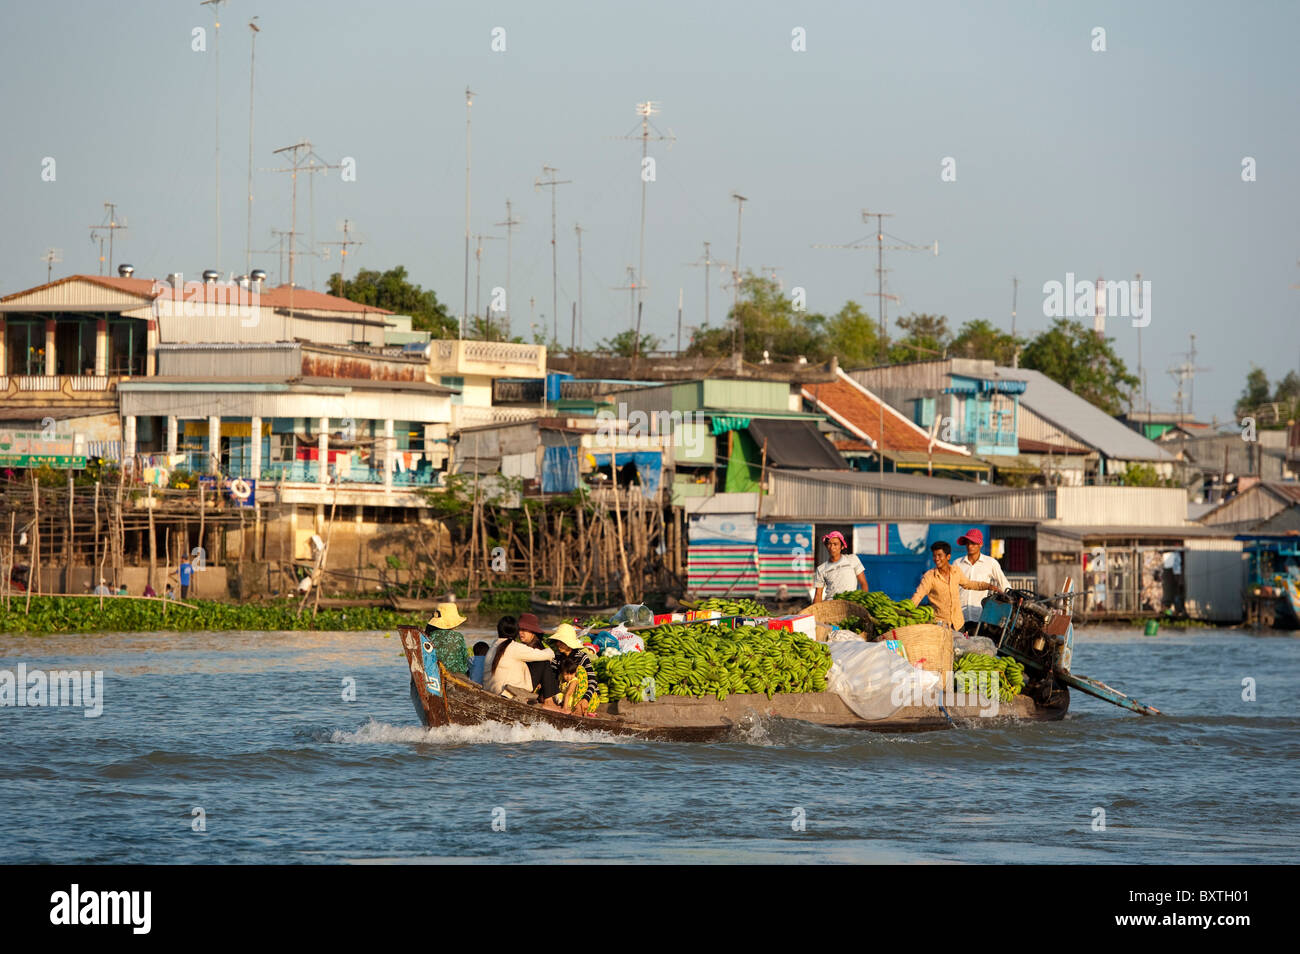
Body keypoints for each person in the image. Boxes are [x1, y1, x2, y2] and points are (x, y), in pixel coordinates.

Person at [911, 541, 1001, 631]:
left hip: (958, 624)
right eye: (934, 556)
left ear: (948, 557)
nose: (936, 559)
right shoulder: (929, 576)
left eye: (939, 555)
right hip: (940, 626)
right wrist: (908, 609)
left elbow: (968, 584)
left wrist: (987, 586)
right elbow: (918, 595)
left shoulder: (956, 571)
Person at [952, 529, 1009, 635]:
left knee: (977, 648)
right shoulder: (957, 563)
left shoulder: (990, 563)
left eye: (973, 543)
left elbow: (1004, 584)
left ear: (980, 544)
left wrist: (1010, 598)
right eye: (967, 543)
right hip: (959, 617)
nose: (970, 546)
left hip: (980, 616)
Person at [485, 612, 555, 697]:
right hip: (505, 693)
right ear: (515, 631)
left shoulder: (494, 644)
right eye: (520, 630)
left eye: (524, 630)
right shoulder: (515, 647)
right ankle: (549, 700)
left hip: (491, 690)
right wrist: (550, 651)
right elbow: (548, 655)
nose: (521, 633)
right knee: (544, 661)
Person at [541, 623, 598, 714]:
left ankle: (577, 705)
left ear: (568, 643)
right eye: (557, 641)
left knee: (580, 670)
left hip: (582, 694)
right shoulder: (557, 657)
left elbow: (592, 681)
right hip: (564, 693)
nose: (558, 644)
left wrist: (585, 699)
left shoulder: (582, 657)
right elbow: (553, 678)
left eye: (561, 642)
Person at [812, 531, 868, 603]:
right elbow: (818, 595)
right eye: (829, 544)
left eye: (835, 544)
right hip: (831, 604)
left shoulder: (852, 559)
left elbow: (863, 583)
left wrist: (863, 602)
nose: (832, 547)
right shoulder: (821, 569)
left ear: (842, 546)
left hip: (851, 603)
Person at [422, 602, 472, 676]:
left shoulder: (429, 636)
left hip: (434, 674)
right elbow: (465, 661)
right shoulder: (458, 637)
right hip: (457, 676)